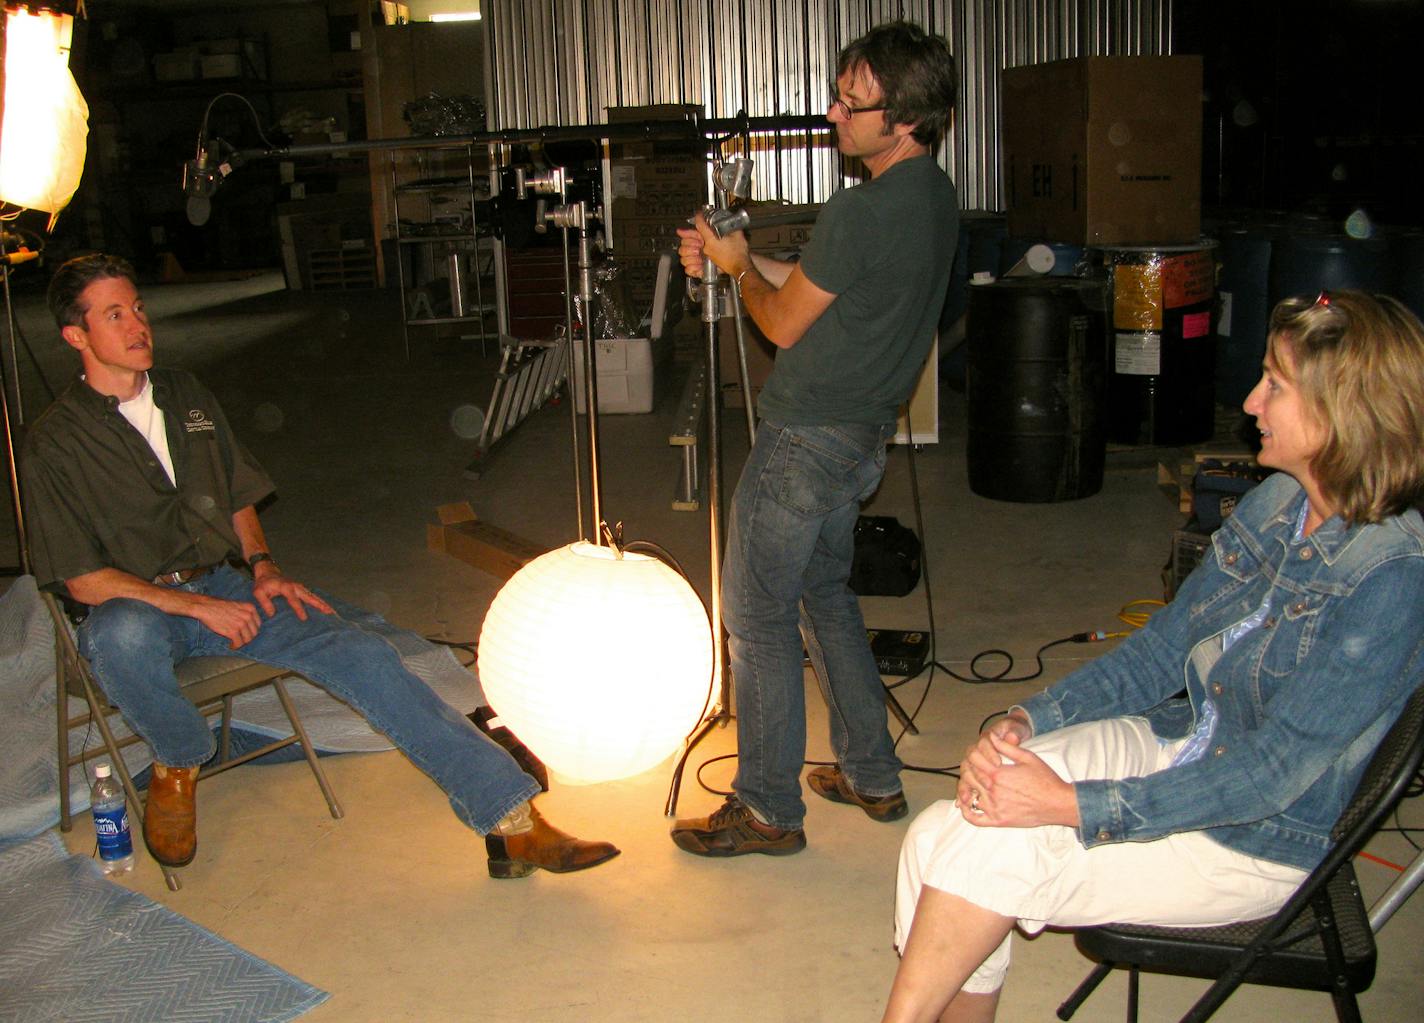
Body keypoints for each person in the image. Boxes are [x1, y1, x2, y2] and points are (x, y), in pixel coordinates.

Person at [883, 290, 1424, 1022]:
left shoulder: (1390, 574)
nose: (1250, 399)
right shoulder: (1276, 504)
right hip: (1186, 748)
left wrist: (1071, 805)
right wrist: (1025, 719)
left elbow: (1267, 776)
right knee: (937, 835)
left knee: (995, 851)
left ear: (1342, 413)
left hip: (1254, 837)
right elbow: (1157, 655)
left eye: (1275, 384)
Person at [23, 253, 619, 880]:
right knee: (117, 632)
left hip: (224, 584)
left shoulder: (185, 395)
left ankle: (512, 822)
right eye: (115, 315)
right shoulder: (56, 441)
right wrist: (199, 607)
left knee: (362, 653)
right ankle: (178, 762)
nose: (138, 324)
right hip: (138, 610)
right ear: (76, 336)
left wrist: (262, 566)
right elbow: (82, 579)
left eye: (138, 308)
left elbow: (235, 492)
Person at [669, 21, 960, 858]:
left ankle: (765, 806)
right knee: (825, 597)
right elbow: (818, 295)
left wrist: (733, 267)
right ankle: (872, 771)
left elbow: (784, 324)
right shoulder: (933, 196)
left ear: (902, 120)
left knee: (755, 615)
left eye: (850, 103)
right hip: (862, 439)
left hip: (805, 442)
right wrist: (742, 259)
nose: (833, 113)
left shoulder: (860, 210)